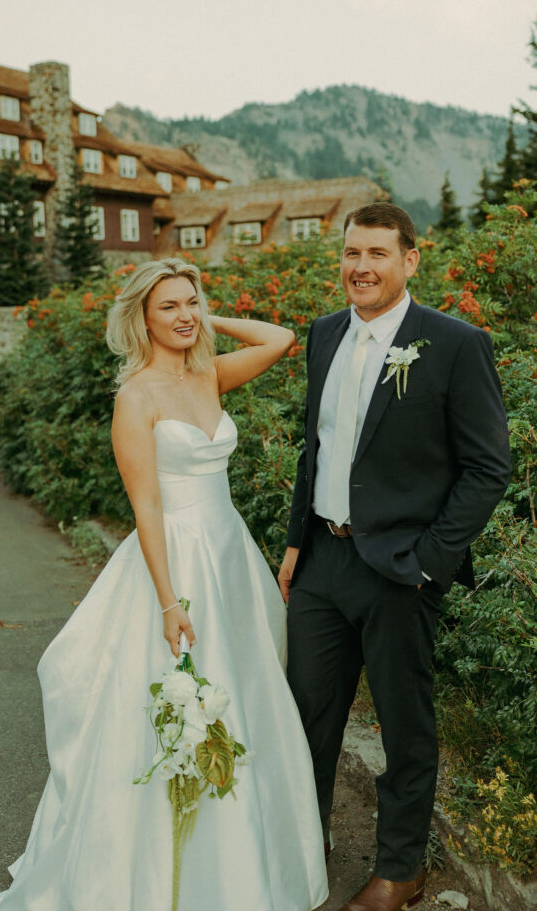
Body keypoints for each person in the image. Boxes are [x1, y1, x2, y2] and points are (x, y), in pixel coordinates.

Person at [0, 258, 329, 911]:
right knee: (175, 705)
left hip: (228, 557)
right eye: (166, 306)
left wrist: (204, 318)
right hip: (173, 562)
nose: (184, 315)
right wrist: (169, 602)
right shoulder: (134, 397)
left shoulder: (209, 374)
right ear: (141, 317)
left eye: (189, 302)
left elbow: (278, 339)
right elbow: (146, 509)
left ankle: (248, 871)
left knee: (243, 696)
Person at [279, 202, 511, 911]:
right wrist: (294, 542)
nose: (360, 267)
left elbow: (486, 467)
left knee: (403, 724)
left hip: (401, 570)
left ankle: (399, 869)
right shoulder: (322, 336)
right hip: (323, 561)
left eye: (377, 254)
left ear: (410, 260)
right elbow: (314, 449)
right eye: (351, 253)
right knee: (304, 716)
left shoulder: (451, 342)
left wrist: (429, 561)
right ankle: (297, 846)